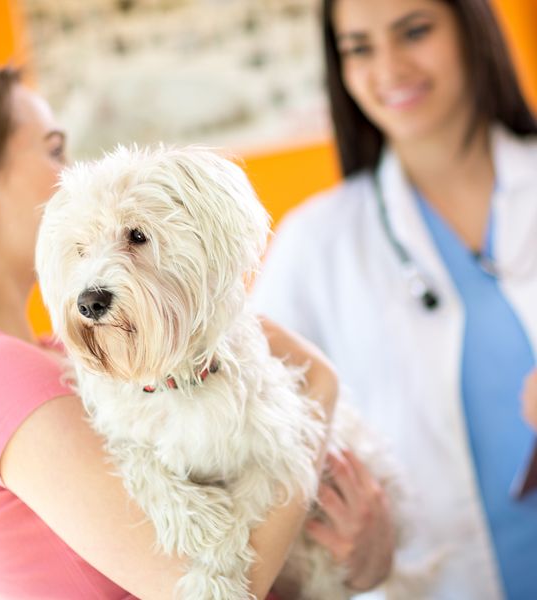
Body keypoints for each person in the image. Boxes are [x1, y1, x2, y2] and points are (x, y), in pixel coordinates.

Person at [0, 66, 393, 600]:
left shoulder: (69, 353)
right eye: (54, 149)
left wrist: (369, 555)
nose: (75, 171)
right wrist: (320, 388)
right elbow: (208, 586)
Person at [252, 0, 537, 598]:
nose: (389, 68)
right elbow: (250, 453)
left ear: (471, 30)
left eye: (415, 31)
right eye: (359, 47)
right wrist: (344, 548)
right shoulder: (314, 246)